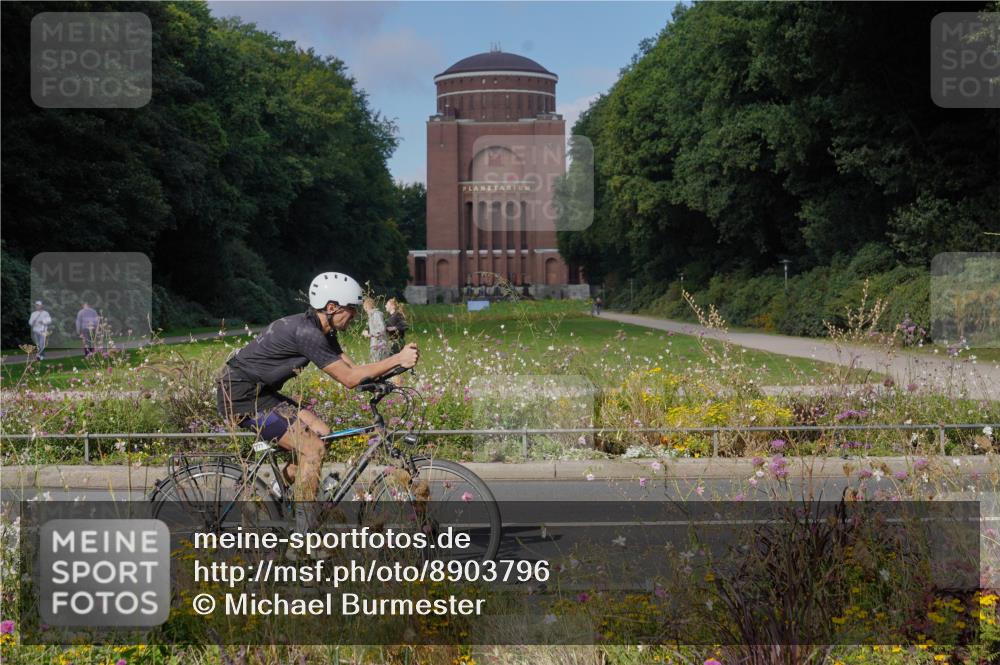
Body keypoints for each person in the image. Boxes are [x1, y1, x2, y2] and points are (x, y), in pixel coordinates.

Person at [215, 272, 419, 532]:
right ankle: (304, 536)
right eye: (351, 310)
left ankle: (272, 498)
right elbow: (349, 378)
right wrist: (396, 359)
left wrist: (390, 376)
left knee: (323, 434)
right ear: (331, 307)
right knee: (312, 450)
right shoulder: (307, 333)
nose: (355, 316)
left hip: (260, 393)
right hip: (240, 398)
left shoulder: (322, 330)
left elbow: (354, 369)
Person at [361, 296, 389, 363]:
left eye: (365, 308)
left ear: (367, 307)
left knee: (378, 364)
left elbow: (382, 329)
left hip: (379, 344)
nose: (365, 310)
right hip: (375, 344)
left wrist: (370, 334)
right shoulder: (371, 316)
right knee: (374, 363)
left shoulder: (376, 314)